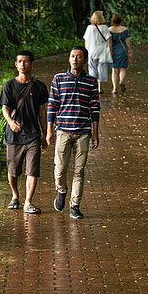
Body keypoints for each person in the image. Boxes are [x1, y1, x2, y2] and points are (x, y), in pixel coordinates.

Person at [46, 46, 100, 219]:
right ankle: (61, 191)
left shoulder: (91, 82)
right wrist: (49, 131)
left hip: (84, 132)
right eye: (72, 56)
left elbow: (95, 109)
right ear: (68, 59)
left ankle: (74, 206)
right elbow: (52, 106)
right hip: (62, 130)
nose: (75, 59)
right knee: (60, 168)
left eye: (78, 57)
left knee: (79, 171)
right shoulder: (59, 79)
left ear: (84, 60)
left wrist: (95, 133)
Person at [0, 51, 50, 214]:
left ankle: (28, 202)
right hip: (13, 135)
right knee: (13, 170)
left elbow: (42, 111)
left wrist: (45, 132)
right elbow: (4, 107)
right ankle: (15, 195)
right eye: (19, 61)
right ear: (16, 64)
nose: (22, 64)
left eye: (26, 61)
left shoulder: (39, 86)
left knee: (32, 169)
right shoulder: (9, 86)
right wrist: (10, 122)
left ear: (32, 64)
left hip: (33, 135)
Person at [82, 10, 112, 90]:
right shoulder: (105, 28)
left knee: (92, 68)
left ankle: (93, 86)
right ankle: (99, 87)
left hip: (91, 51)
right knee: (101, 68)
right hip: (102, 52)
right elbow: (109, 40)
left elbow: (86, 40)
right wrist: (110, 50)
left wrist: (86, 50)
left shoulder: (89, 28)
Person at [107, 12, 131, 95]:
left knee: (114, 70)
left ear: (112, 20)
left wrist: (110, 51)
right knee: (122, 68)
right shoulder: (125, 29)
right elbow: (127, 41)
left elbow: (109, 42)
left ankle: (114, 88)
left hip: (114, 51)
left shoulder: (109, 30)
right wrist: (129, 50)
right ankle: (121, 81)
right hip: (123, 50)